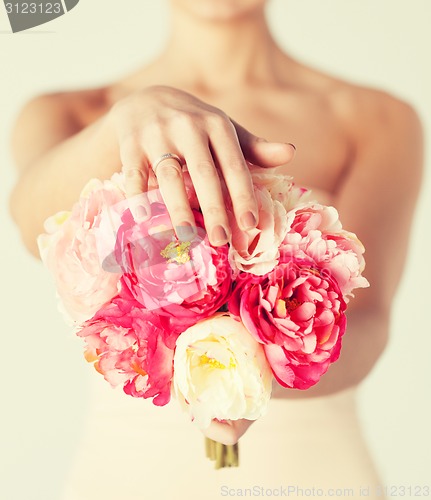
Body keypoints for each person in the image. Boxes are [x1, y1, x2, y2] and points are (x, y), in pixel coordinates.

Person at [9, 1, 423, 499]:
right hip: (128, 475)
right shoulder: (67, 113)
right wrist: (128, 121)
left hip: (316, 473)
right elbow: (29, 222)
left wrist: (252, 371)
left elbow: (370, 321)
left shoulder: (378, 118)